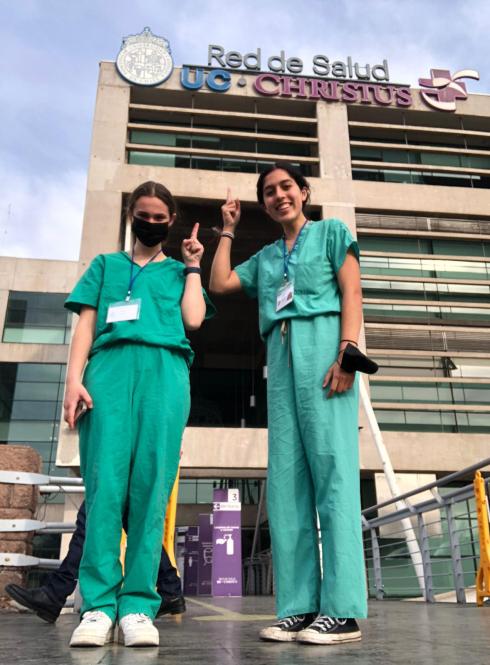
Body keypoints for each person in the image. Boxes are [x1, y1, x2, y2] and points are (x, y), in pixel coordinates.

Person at [210, 162, 367, 646]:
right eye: (269, 192)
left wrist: (347, 352)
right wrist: (227, 232)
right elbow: (219, 285)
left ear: (303, 192)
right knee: (286, 485)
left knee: (334, 477)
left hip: (324, 351)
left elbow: (353, 290)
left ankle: (342, 612)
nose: (279, 196)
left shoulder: (331, 233)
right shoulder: (265, 257)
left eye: (286, 187)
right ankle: (298, 606)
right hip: (279, 360)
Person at [63, 181, 213, 647]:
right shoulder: (106, 266)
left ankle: (138, 605)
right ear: (131, 216)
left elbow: (193, 319)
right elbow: (86, 323)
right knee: (105, 487)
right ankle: (97, 606)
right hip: (108, 370)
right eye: (142, 215)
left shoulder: (177, 273)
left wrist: (193, 266)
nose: (150, 223)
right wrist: (73, 379)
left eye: (159, 216)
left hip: (165, 373)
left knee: (151, 490)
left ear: (171, 221)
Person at [5, 501, 185, 623]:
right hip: (128, 455)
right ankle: (170, 589)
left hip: (121, 455)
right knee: (137, 526)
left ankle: (54, 594)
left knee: (94, 519)